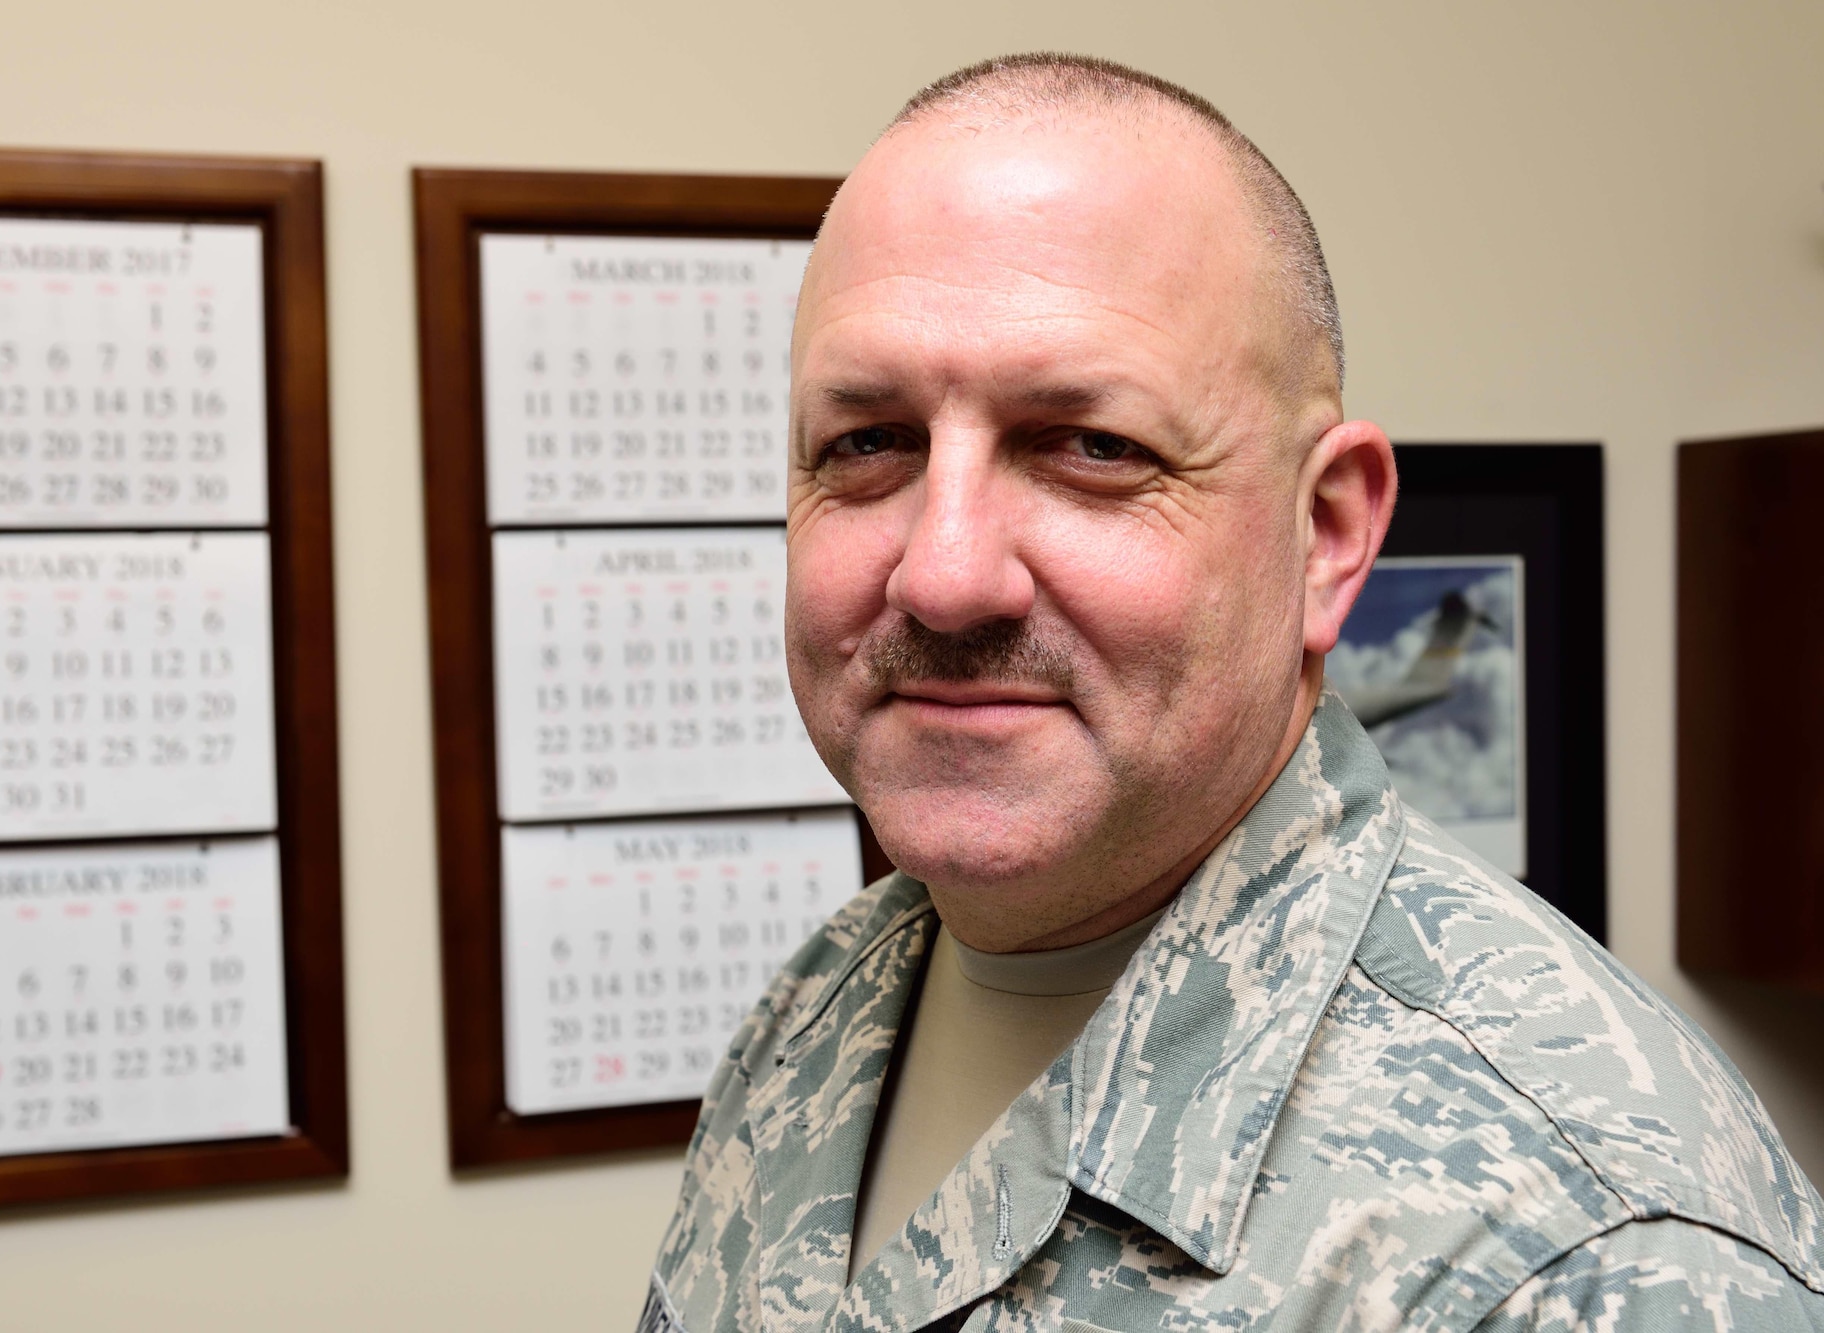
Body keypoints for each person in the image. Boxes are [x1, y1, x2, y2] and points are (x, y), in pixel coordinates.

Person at [641, 53, 1824, 1332]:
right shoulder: (829, 998)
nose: (942, 573)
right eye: (867, 443)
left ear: (1323, 536)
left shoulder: (1580, 1253)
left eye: (1091, 448)